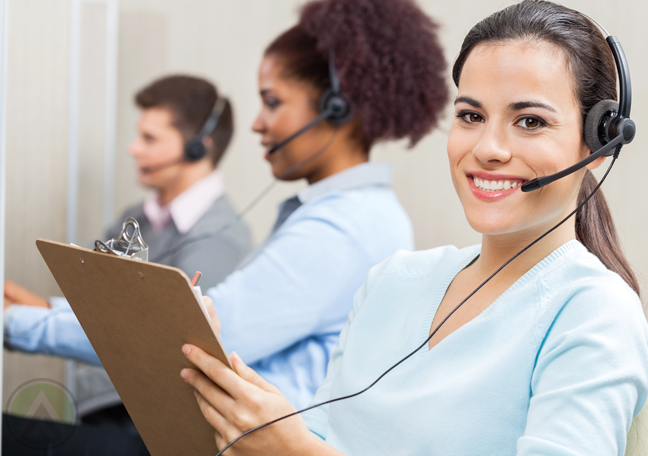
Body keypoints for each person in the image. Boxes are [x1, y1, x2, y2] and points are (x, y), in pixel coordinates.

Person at [180, 1, 648, 455]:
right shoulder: (390, 281)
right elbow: (322, 435)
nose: (488, 147)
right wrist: (241, 405)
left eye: (529, 121)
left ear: (601, 141)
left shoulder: (596, 314)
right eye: (471, 116)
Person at [5, 0, 449, 415]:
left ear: (337, 107)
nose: (257, 122)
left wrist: (19, 323)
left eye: (272, 102)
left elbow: (195, 336)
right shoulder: (345, 214)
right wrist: (46, 309)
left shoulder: (345, 226)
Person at [3, 76, 252, 436]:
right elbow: (98, 304)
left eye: (150, 139)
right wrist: (37, 305)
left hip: (147, 426)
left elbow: (154, 339)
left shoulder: (219, 239)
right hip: (99, 407)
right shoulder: (137, 217)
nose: (134, 149)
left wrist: (19, 320)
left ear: (200, 146)